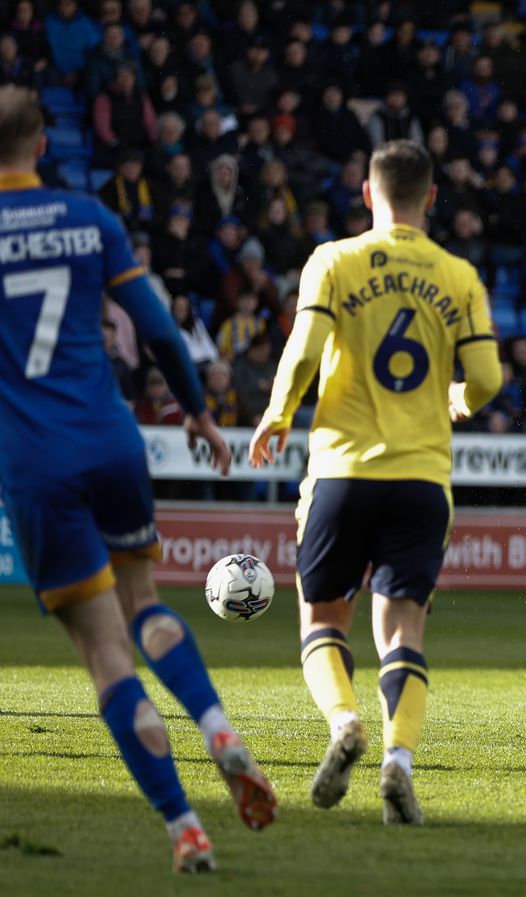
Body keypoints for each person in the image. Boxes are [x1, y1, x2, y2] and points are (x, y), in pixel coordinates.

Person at [0, 85, 275, 873]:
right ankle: (218, 725)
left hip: (35, 460)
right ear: (43, 146)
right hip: (113, 438)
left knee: (106, 657)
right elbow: (155, 325)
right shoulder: (91, 219)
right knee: (144, 601)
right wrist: (196, 412)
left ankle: (185, 826)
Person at [248, 140, 501, 825]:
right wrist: (460, 401)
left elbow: (302, 352)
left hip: (342, 469)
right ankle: (399, 759)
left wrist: (277, 415)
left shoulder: (333, 261)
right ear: (432, 197)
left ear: (366, 193)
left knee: (324, 619)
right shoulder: (459, 275)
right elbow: (487, 381)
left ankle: (343, 723)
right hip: (421, 478)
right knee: (402, 630)